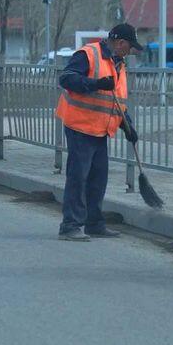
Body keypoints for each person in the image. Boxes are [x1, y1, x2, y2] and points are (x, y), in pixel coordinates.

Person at [55, 23, 141, 241]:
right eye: (130, 47)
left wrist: (127, 125)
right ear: (120, 43)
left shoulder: (119, 64)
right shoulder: (88, 54)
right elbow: (66, 78)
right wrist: (96, 84)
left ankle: (94, 223)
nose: (130, 51)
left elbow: (116, 100)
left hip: (101, 129)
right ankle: (70, 226)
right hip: (80, 125)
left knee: (97, 178)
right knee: (78, 177)